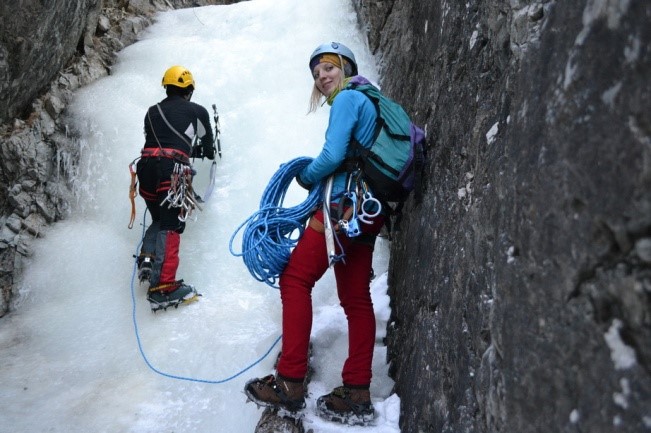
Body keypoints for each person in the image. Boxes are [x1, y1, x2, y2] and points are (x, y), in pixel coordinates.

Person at [244, 42, 384, 426]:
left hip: (341, 207)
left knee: (295, 278)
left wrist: (306, 176)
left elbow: (333, 156)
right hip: (366, 211)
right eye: (316, 73)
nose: (322, 76)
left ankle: (289, 382)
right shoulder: (369, 100)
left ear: (346, 68)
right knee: (356, 298)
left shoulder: (348, 99)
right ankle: (357, 392)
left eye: (328, 68)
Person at [136, 65, 215, 311]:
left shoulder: (152, 111)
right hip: (171, 171)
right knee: (171, 225)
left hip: (145, 168)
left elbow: (155, 138)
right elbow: (207, 143)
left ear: (167, 87)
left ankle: (147, 258)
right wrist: (204, 152)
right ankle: (164, 287)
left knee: (159, 219)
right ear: (189, 90)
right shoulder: (197, 111)